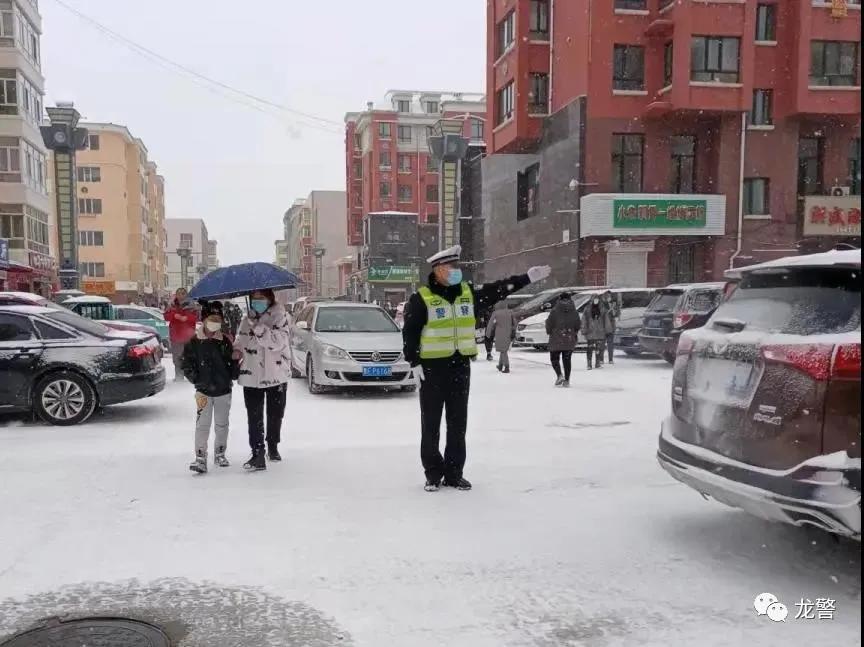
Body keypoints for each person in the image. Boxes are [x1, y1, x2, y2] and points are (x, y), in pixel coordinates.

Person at [402, 244, 551, 492]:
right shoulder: (422, 298)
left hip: (459, 367)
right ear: (438, 270)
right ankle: (433, 473)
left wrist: (527, 277)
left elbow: (499, 289)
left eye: (457, 267)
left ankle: (453, 473)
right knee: (431, 424)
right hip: (431, 370)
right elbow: (410, 332)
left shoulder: (468, 294)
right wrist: (414, 362)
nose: (456, 271)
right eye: (451, 267)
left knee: (458, 423)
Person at [233, 289, 291, 471]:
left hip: (276, 373)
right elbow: (240, 341)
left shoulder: (280, 318)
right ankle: (257, 452)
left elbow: (278, 343)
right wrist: (235, 349)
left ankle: (273, 445)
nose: (258, 301)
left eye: (261, 298)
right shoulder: (245, 320)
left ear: (269, 299)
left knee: (275, 413)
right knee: (254, 415)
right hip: (252, 374)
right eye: (254, 298)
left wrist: (258, 327)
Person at [182, 302, 239, 474]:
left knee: (222, 424)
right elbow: (186, 365)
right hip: (203, 392)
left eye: (218, 320)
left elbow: (233, 372)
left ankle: (220, 452)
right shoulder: (194, 342)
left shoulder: (225, 342)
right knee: (202, 424)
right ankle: (200, 456)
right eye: (211, 319)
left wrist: (235, 360)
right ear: (204, 320)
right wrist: (197, 380)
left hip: (223, 391)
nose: (214, 323)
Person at [545, 292, 580, 386]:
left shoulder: (555, 310)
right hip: (569, 338)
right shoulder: (574, 311)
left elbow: (549, 323)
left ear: (559, 299)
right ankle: (567, 381)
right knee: (567, 360)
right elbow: (577, 324)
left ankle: (559, 375)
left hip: (556, 337)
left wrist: (549, 331)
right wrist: (574, 332)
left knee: (554, 358)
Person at [164, 288, 199, 382]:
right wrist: (174, 316)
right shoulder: (171, 305)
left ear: (186, 295)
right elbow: (166, 316)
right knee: (177, 358)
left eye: (183, 293)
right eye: (179, 293)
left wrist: (186, 318)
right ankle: (179, 377)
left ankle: (191, 377)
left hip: (188, 336)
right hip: (175, 336)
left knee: (190, 357)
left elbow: (197, 317)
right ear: (176, 294)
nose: (181, 295)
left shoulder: (192, 305)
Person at [486, 300, 517, 373]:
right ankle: (500, 365)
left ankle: (507, 367)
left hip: (500, 333)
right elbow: (515, 323)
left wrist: (488, 333)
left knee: (503, 350)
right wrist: (513, 331)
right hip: (509, 333)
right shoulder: (511, 312)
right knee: (503, 349)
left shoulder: (496, 313)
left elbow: (490, 323)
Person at [581, 294, 612, 370]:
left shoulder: (602, 309)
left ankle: (597, 363)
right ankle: (589, 363)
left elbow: (606, 320)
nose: (596, 301)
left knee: (598, 348)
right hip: (590, 331)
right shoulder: (587, 309)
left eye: (597, 299)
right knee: (589, 348)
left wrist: (608, 330)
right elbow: (584, 320)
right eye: (594, 299)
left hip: (599, 331)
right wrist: (584, 329)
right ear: (591, 300)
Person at [602, 290, 618, 365]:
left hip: (611, 327)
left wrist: (614, 310)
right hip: (603, 326)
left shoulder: (612, 304)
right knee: (602, 343)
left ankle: (610, 359)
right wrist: (608, 310)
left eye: (610, 296)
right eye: (607, 296)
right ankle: (601, 359)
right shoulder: (601, 305)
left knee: (610, 344)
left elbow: (616, 315)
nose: (609, 297)